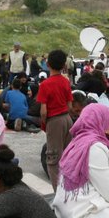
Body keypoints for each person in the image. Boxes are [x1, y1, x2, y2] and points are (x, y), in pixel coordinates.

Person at [37, 49, 73, 188]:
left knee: (53, 159)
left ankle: (59, 194)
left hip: (54, 120)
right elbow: (70, 105)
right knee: (68, 156)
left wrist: (45, 124)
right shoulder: (65, 81)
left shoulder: (45, 84)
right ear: (64, 65)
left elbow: (44, 111)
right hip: (67, 118)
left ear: (48, 64)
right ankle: (70, 189)